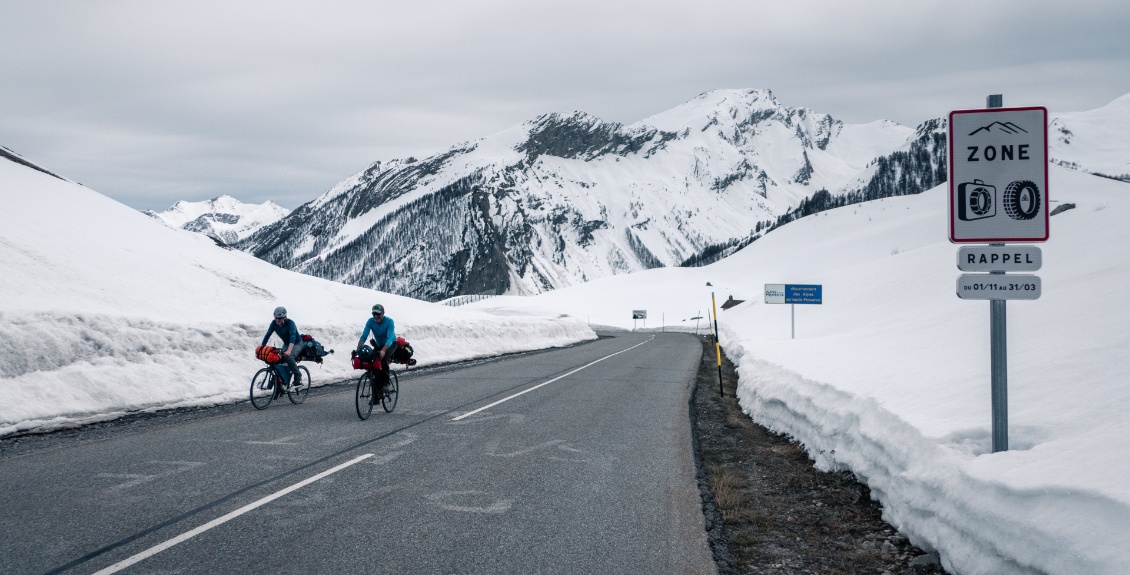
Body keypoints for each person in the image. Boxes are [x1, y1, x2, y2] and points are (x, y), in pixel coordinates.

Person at [357, 303, 398, 398]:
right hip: (379, 345)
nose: (376, 316)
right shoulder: (370, 321)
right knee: (373, 363)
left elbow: (390, 338)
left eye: (378, 314)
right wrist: (358, 348)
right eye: (374, 314)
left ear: (383, 313)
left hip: (391, 344)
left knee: (382, 359)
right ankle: (376, 396)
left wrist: (383, 350)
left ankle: (386, 383)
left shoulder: (389, 321)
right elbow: (364, 336)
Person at [262, 306, 304, 387]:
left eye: (280, 318)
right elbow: (268, 335)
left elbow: (292, 337)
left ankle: (297, 375)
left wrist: (289, 351)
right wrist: (262, 346)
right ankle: (282, 381)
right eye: (276, 318)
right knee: (277, 359)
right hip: (286, 343)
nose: (277, 320)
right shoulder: (274, 323)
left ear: (284, 317)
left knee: (289, 356)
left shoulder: (290, 323)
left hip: (296, 343)